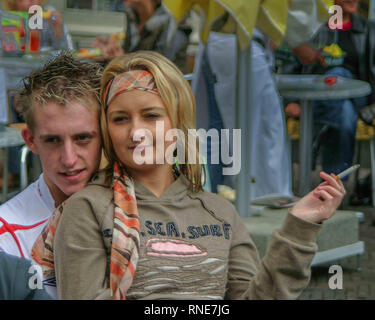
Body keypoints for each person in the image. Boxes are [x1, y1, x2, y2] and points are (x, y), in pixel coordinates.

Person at [32, 51, 346, 300]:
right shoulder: (87, 210)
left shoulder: (220, 212)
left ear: (179, 122)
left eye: (152, 115)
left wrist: (298, 227)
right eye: (120, 118)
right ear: (107, 130)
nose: (137, 131)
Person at [193, 0, 329, 196]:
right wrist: (297, 41)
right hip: (239, 43)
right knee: (257, 131)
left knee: (216, 132)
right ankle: (255, 197)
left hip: (218, 40)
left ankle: (207, 198)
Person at [0, 53, 102, 262]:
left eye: (82, 138)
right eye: (52, 140)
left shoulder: (135, 207)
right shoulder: (7, 237)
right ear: (31, 140)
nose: (69, 159)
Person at [284, 0, 375, 177]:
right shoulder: (312, 28)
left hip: (358, 98)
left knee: (339, 73)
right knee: (344, 114)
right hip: (316, 97)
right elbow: (291, 63)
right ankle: (334, 182)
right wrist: (290, 101)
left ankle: (315, 142)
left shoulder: (369, 29)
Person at [92, 0, 190, 72]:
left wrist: (122, 60)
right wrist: (110, 55)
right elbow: (131, 55)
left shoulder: (173, 25)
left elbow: (162, 72)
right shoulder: (133, 19)